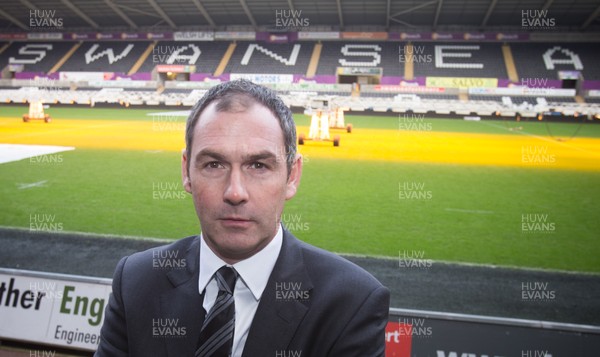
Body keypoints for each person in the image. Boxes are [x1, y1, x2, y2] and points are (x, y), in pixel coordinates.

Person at [96, 79, 390, 356]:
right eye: (214, 164)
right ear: (186, 172)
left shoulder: (352, 303)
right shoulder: (136, 281)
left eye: (258, 165)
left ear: (292, 176)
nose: (235, 192)